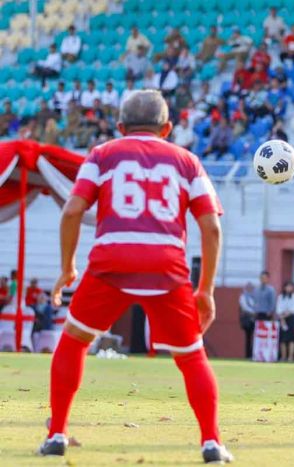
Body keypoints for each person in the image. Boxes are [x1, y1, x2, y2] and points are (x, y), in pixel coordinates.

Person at [39, 90, 232, 463]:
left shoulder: (103, 154)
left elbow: (71, 211)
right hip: (166, 264)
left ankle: (57, 433)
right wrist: (205, 289)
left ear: (120, 126)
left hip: (111, 260)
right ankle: (211, 443)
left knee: (74, 342)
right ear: (167, 128)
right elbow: (210, 228)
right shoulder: (186, 160)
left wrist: (68, 268)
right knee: (192, 357)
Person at [276, 281, 294, 362]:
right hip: (282, 319)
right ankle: (283, 356)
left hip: (291, 319)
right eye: (287, 287)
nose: (288, 288)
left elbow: (293, 310)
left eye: (290, 287)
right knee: (282, 339)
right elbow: (278, 309)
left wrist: (283, 316)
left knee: (291, 339)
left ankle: (290, 357)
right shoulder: (280, 297)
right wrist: (281, 318)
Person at [238, 282, 256, 359]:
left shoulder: (254, 296)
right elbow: (244, 307)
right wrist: (253, 313)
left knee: (256, 338)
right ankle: (248, 354)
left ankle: (254, 354)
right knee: (248, 337)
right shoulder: (243, 296)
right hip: (248, 319)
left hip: (255, 318)